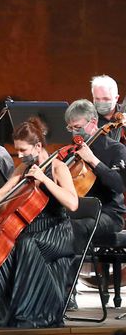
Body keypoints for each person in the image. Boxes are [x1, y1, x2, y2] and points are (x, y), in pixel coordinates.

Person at [0, 117, 78, 327]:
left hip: (55, 230)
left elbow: (72, 204)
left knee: (25, 244)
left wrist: (45, 179)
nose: (20, 155)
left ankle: (31, 313)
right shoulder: (23, 168)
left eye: (23, 150)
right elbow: (3, 193)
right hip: (29, 227)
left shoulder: (59, 168)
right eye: (18, 151)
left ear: (38, 146)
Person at [63, 99, 126, 307]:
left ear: (93, 122)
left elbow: (119, 185)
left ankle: (67, 292)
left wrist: (94, 161)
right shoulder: (72, 152)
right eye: (70, 128)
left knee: (75, 227)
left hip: (108, 215)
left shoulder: (115, 149)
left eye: (78, 127)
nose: (74, 132)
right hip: (77, 211)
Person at [92, 75, 124, 142]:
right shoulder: (87, 118)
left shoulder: (123, 113)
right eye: (97, 99)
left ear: (116, 98)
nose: (101, 102)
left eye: (106, 99)